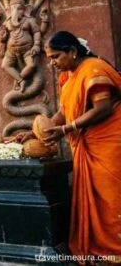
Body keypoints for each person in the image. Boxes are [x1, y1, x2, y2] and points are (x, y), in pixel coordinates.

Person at [38, 31, 121, 259]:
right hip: (88, 144)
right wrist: (39, 131)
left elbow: (102, 107)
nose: (53, 63)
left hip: (109, 142)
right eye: (50, 58)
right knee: (95, 198)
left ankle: (115, 250)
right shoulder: (67, 77)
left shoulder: (94, 68)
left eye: (56, 57)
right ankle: (98, 248)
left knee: (111, 196)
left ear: (72, 52)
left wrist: (67, 129)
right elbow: (64, 111)